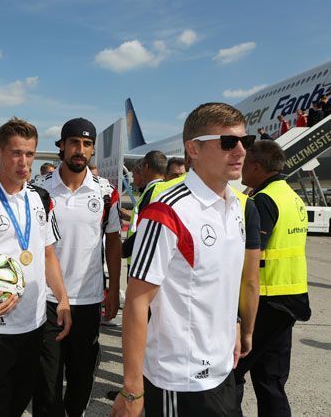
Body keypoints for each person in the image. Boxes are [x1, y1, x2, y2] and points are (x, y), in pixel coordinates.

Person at [110, 103, 257, 417]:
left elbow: (221, 280)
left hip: (222, 370)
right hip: (180, 380)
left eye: (247, 141)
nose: (242, 151)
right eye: (229, 142)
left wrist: (233, 324)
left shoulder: (236, 207)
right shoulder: (168, 210)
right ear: (194, 149)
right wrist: (133, 389)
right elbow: (137, 300)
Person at [0, 117, 72, 416]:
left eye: (30, 154)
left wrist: (63, 300)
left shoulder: (41, 199)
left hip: (33, 326)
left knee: (19, 405)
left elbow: (48, 257)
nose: (24, 162)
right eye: (16, 153)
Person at [32, 118, 122, 417]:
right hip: (46, 299)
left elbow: (112, 242)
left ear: (92, 149)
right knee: (47, 379)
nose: (79, 150)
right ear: (61, 146)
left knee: (82, 376)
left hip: (88, 297)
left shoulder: (106, 192)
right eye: (74, 142)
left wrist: (112, 292)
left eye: (86, 144)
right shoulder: (38, 190)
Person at [236, 140, 310, 417]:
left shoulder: (263, 200)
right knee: (270, 380)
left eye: (245, 164)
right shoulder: (291, 196)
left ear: (256, 167)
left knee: (232, 374)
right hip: (292, 297)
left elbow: (252, 253)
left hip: (266, 298)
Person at [121, 150, 166, 261]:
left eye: (141, 167)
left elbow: (145, 228)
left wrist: (124, 249)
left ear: (146, 167)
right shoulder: (165, 189)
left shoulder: (153, 192)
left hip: (141, 257)